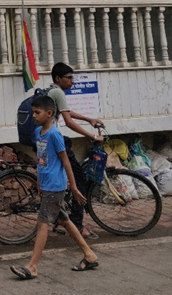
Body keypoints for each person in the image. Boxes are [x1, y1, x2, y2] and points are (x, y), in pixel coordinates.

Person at [10, 95, 99, 280]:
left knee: (42, 224)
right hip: (47, 184)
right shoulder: (38, 133)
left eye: (37, 112)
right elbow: (42, 161)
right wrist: (38, 181)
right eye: (33, 112)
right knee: (64, 220)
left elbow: (65, 160)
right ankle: (89, 255)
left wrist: (73, 187)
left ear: (49, 113)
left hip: (56, 186)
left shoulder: (54, 134)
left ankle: (32, 266)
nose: (33, 116)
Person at [48, 62, 105, 239]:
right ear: (58, 79)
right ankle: (77, 224)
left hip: (49, 139)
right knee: (79, 178)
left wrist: (88, 119)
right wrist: (92, 136)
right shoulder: (57, 91)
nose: (72, 81)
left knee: (65, 172)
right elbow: (68, 121)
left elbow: (67, 112)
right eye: (69, 78)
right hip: (53, 141)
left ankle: (60, 215)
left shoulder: (52, 91)